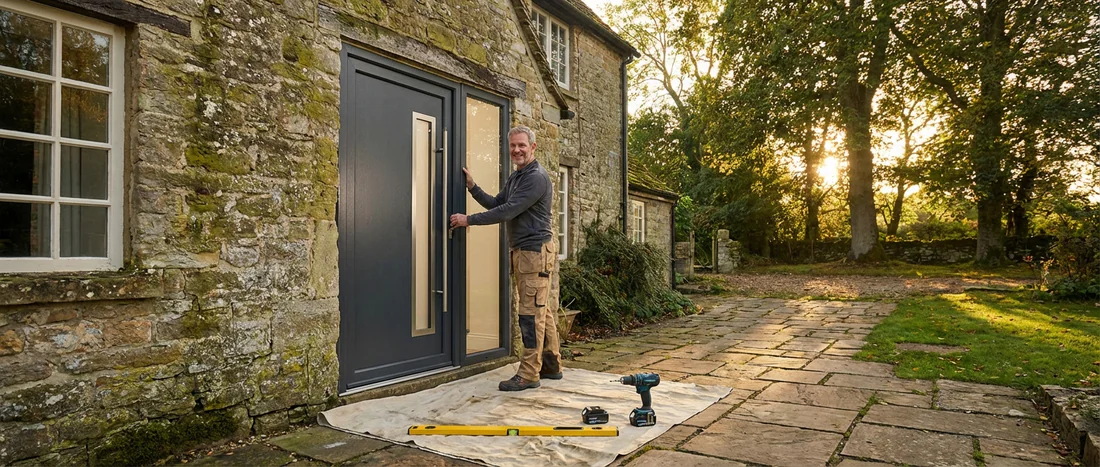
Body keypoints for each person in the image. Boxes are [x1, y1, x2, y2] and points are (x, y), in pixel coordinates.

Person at [449, 125, 562, 391]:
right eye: (513, 146)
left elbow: (508, 211)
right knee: (540, 311)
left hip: (534, 253)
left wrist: (468, 220)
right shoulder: (517, 177)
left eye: (522, 145)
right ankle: (551, 364)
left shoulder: (536, 177)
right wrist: (473, 188)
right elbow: (498, 203)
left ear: (533, 147)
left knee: (529, 315)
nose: (517, 150)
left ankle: (529, 374)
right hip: (526, 254)